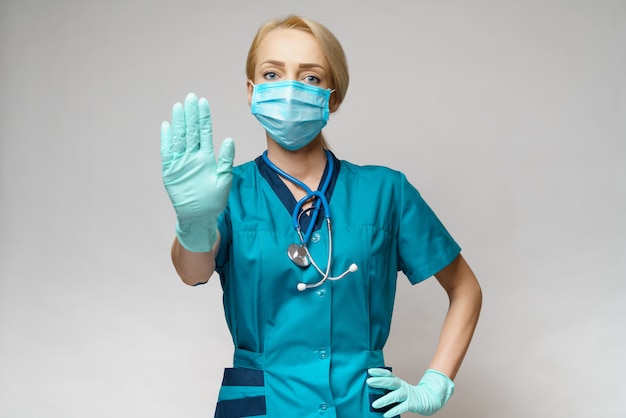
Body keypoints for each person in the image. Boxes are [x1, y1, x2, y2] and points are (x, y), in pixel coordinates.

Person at [160, 15, 482, 418]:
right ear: (251, 91)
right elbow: (193, 273)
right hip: (264, 407)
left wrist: (436, 384)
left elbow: (465, 289)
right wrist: (193, 221)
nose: (289, 89)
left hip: (359, 407)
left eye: (310, 78)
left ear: (332, 97)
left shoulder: (385, 192)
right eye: (272, 73)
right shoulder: (227, 191)